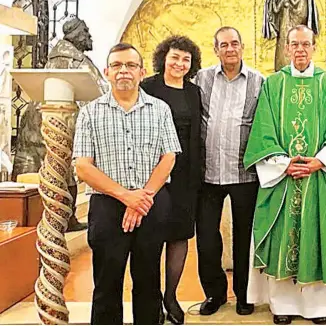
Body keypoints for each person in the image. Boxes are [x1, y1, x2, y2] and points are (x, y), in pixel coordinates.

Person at [243, 25, 326, 325]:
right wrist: (283, 164)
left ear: (314, 47)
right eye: (294, 44)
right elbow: (263, 131)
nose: (300, 50)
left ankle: (319, 308)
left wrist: (320, 162)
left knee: (320, 236)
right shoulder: (273, 85)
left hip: (319, 178)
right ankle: (283, 306)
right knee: (284, 239)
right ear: (287, 48)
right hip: (284, 178)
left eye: (306, 44)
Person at [73, 43, 181, 324]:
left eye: (131, 65)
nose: (124, 70)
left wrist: (141, 197)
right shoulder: (90, 113)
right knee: (107, 283)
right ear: (107, 72)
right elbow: (83, 166)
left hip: (151, 203)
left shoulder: (160, 109)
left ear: (142, 72)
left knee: (147, 281)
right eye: (117, 65)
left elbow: (168, 157)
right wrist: (125, 197)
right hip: (108, 206)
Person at [14, 17, 108, 231]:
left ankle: (66, 218)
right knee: (58, 171)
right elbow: (95, 94)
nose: (89, 35)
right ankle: (54, 218)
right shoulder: (71, 61)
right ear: (75, 35)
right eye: (85, 31)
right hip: (56, 122)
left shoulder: (73, 58)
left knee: (63, 172)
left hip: (58, 122)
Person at [195, 27, 264, 316]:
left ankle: (245, 294)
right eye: (223, 45)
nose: (230, 49)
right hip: (208, 172)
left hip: (245, 172)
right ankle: (215, 293)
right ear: (216, 50)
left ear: (242, 47)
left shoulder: (259, 82)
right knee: (207, 236)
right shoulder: (202, 79)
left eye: (234, 43)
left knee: (245, 235)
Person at [141, 35, 203, 324]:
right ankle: (151, 300)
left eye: (186, 59)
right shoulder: (148, 87)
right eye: (175, 57)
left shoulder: (193, 92)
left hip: (186, 174)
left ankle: (171, 296)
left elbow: (196, 135)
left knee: (180, 236)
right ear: (164, 57)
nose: (180, 63)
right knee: (151, 238)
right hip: (153, 173)